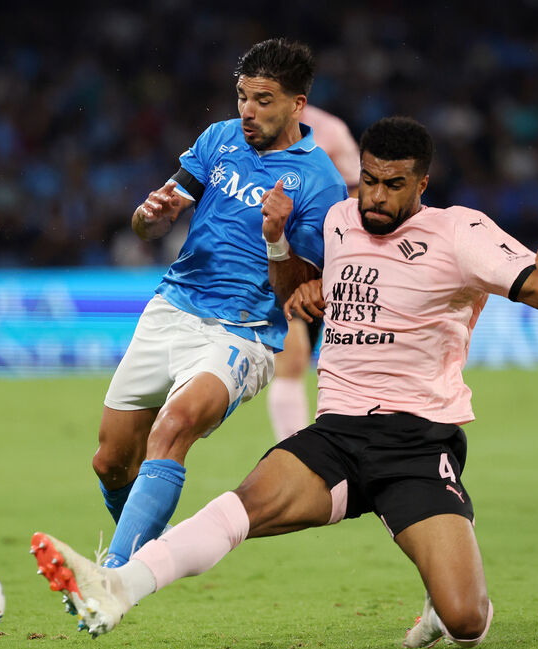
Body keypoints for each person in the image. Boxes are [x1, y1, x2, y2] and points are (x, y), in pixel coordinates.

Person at [31, 116, 538, 648]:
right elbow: (298, 283)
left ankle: (445, 594)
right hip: (336, 435)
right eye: (369, 180)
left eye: (394, 185)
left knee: (465, 620)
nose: (377, 197)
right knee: (237, 509)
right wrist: (279, 247)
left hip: (416, 441)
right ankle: (115, 585)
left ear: (422, 185)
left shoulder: (460, 231)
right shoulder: (340, 219)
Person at [80, 37, 347, 586]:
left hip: (243, 333)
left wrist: (277, 240)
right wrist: (150, 216)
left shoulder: (321, 182)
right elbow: (153, 217)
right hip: (172, 308)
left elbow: (306, 292)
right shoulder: (218, 140)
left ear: (298, 105)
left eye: (264, 99)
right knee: (109, 462)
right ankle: (151, 555)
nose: (248, 111)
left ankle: (112, 580)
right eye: (243, 97)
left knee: (173, 427)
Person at [266, 105, 360, 441]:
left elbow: (357, 195)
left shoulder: (331, 131)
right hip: (273, 258)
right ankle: (292, 451)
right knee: (292, 361)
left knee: (315, 361)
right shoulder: (251, 128)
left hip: (325, 265)